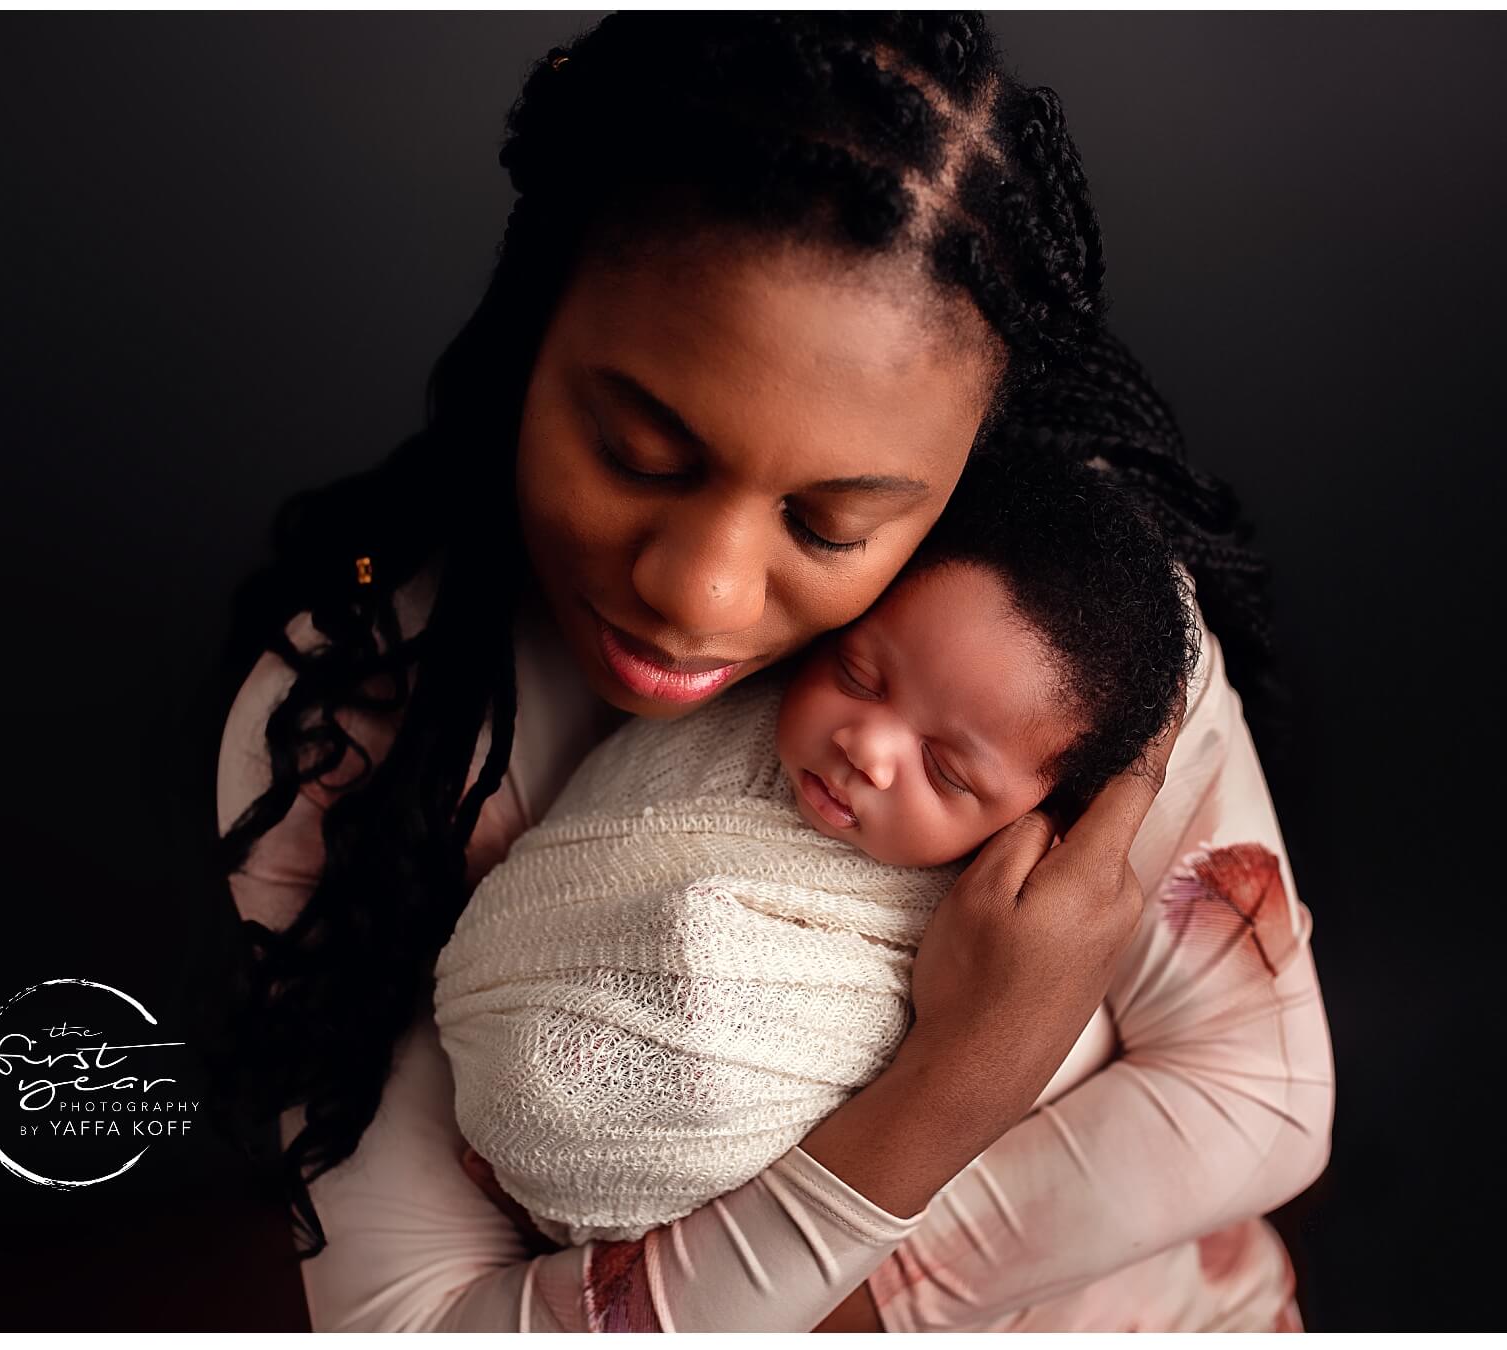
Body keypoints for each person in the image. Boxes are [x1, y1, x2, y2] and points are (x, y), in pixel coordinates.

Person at [208, 12, 1334, 1332]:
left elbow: (1258, 1099)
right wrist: (954, 1089)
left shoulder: (1062, 639)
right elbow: (407, 1323)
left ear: (960, 469)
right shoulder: (357, 722)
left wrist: (779, 1286)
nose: (700, 593)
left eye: (831, 525)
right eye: (638, 455)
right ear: (530, 329)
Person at [433, 448, 1194, 1248]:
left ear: (1040, 816)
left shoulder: (983, 928)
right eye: (859, 676)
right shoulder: (726, 717)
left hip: (668, 1194)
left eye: (945, 772)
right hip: (492, 1014)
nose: (867, 748)